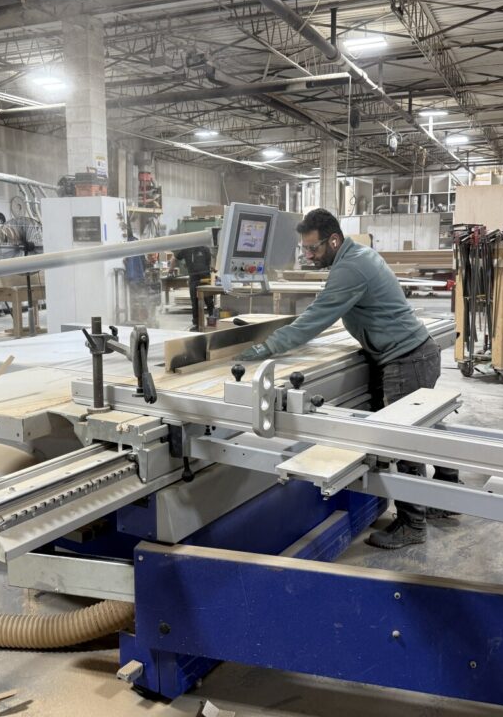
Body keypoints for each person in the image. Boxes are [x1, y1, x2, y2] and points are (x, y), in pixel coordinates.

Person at [235, 208, 459, 549]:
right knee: (425, 428)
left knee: (403, 443)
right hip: (416, 352)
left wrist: (263, 350)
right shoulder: (357, 256)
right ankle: (444, 499)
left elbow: (314, 319)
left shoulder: (351, 267)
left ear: (334, 240)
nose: (308, 256)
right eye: (305, 250)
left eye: (313, 249)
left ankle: (413, 524)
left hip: (404, 359)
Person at [173, 245, 215, 331]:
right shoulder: (186, 249)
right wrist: (170, 270)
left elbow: (212, 260)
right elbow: (175, 258)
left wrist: (213, 267)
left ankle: (213, 323)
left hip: (205, 278)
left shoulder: (204, 249)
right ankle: (197, 325)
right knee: (195, 302)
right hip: (193, 279)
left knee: (209, 301)